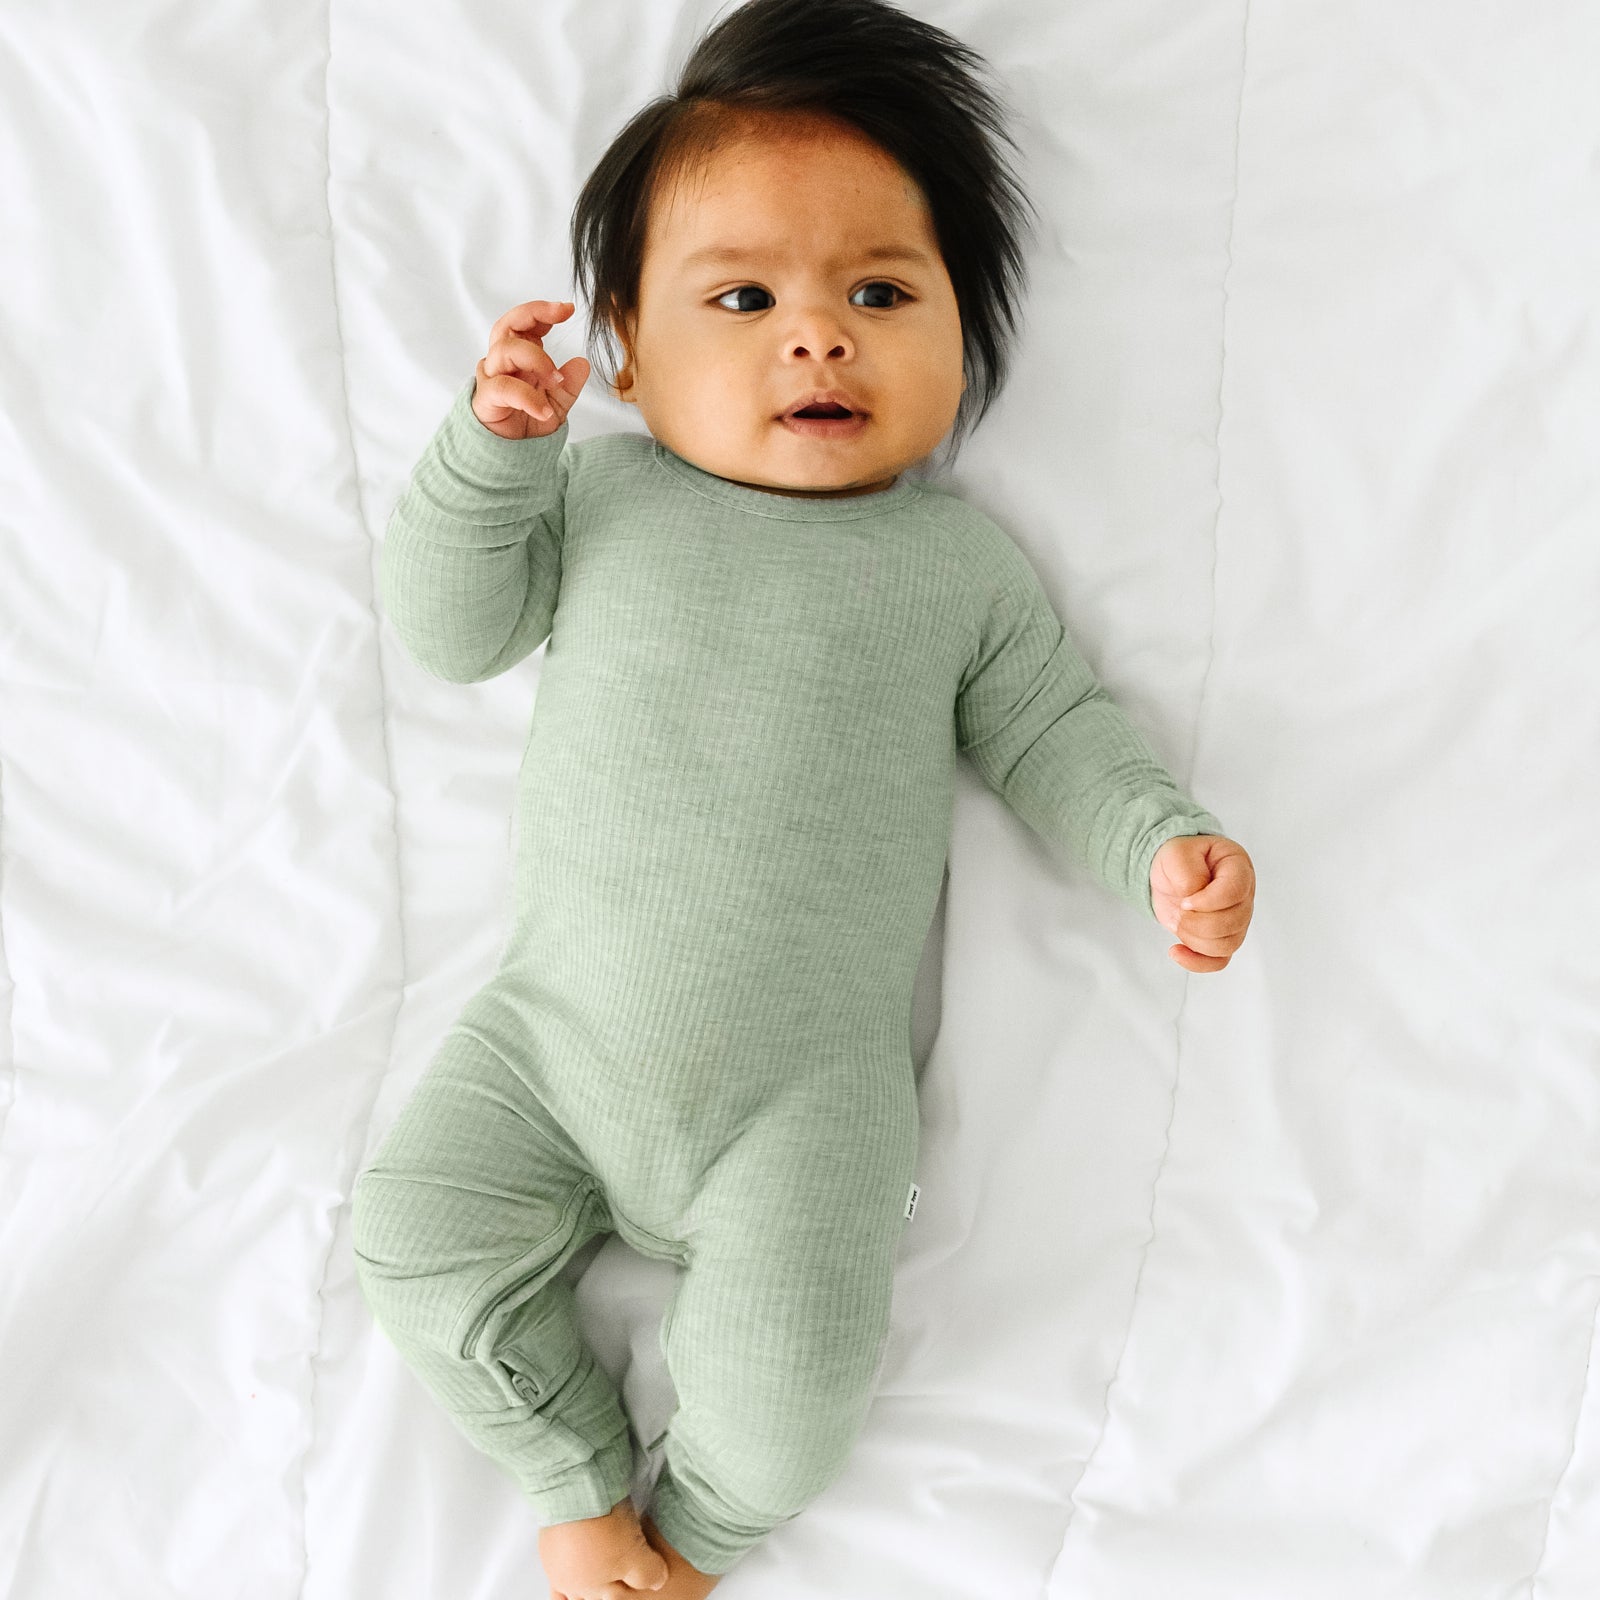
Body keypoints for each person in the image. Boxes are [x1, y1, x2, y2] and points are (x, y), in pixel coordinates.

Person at [351, 1, 1256, 1595]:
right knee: (413, 1236)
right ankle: (570, 1474)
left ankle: (686, 1541)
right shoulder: (605, 494)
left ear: (963, 336)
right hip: (549, 1040)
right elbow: (450, 628)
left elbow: (1055, 730)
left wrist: (1161, 844)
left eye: (882, 293)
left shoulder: (952, 568)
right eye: (747, 296)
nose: (817, 334)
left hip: (811, 1110)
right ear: (626, 347)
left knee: (792, 1391)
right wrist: (490, 455)